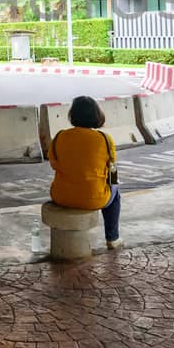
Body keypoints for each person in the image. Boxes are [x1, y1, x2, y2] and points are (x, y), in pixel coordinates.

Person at [48, 96, 122, 247]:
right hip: (94, 198)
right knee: (116, 192)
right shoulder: (104, 139)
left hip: (60, 196)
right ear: (97, 115)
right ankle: (112, 238)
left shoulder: (60, 136)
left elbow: (54, 164)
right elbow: (112, 169)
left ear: (72, 115)